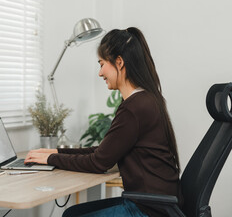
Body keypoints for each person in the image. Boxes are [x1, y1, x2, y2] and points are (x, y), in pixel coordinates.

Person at [25, 27, 182, 217]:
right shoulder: (145, 100)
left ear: (119, 62)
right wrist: (56, 152)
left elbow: (98, 163)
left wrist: (51, 159)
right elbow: (103, 152)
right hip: (155, 202)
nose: (100, 73)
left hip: (148, 209)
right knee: (72, 213)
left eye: (101, 64)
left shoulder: (135, 107)